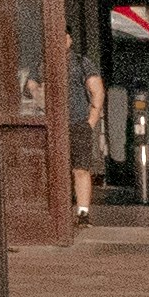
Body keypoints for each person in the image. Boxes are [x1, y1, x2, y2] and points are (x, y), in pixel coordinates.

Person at [66, 29, 103, 224]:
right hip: (55, 124)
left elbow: (97, 89)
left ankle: (82, 211)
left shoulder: (81, 62)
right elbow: (31, 85)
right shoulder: (44, 62)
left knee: (80, 168)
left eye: (64, 35)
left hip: (78, 123)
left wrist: (91, 121)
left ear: (70, 39)